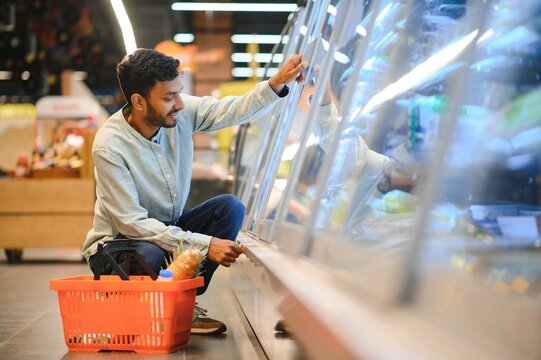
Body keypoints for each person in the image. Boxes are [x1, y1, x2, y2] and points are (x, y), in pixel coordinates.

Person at [81, 48, 308, 335]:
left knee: (229, 208)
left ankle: (181, 306)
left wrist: (276, 83)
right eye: (168, 97)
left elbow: (231, 109)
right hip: (118, 247)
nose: (178, 104)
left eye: (179, 93)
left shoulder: (180, 111)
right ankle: (156, 311)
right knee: (149, 254)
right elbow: (132, 223)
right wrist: (205, 244)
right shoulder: (110, 146)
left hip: (164, 231)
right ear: (138, 101)